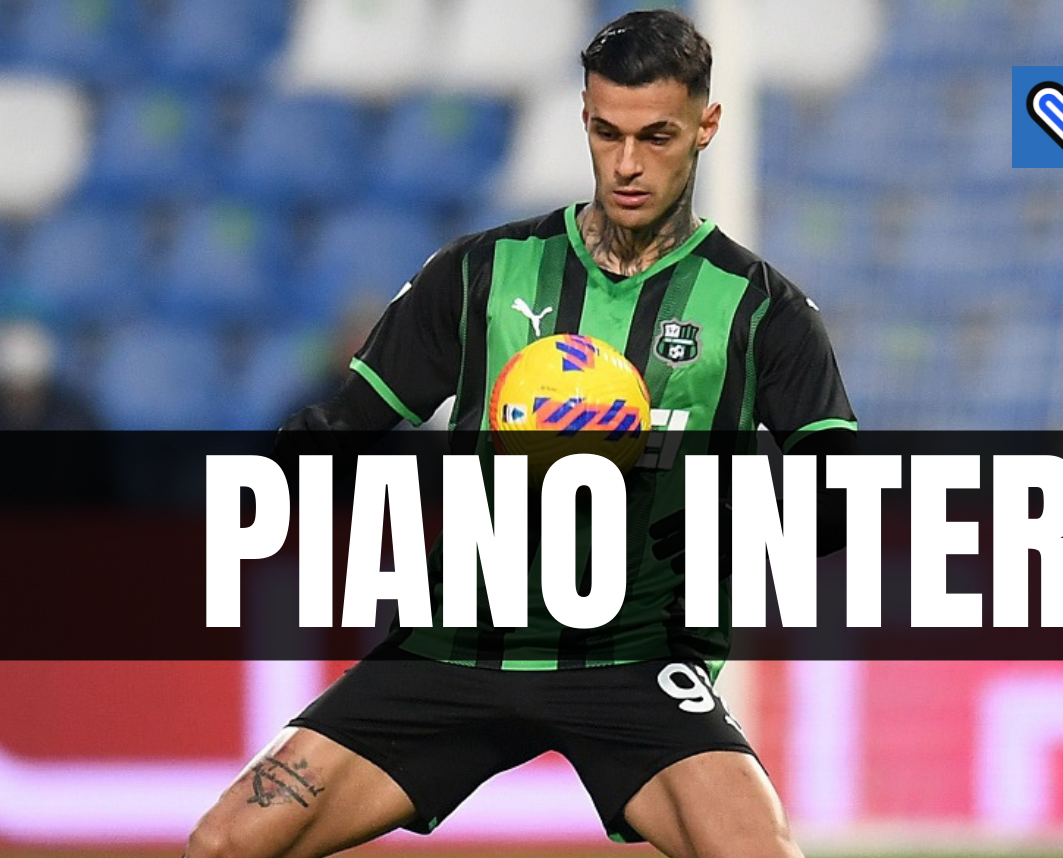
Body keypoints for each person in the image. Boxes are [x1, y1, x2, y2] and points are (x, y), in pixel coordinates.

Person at [185, 9, 857, 858]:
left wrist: (727, 526)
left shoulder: (763, 310)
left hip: (637, 657)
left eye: (656, 136)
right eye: (607, 132)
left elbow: (838, 492)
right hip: (458, 643)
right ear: (584, 117)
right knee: (225, 846)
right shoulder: (479, 273)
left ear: (706, 126)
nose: (627, 163)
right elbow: (345, 427)